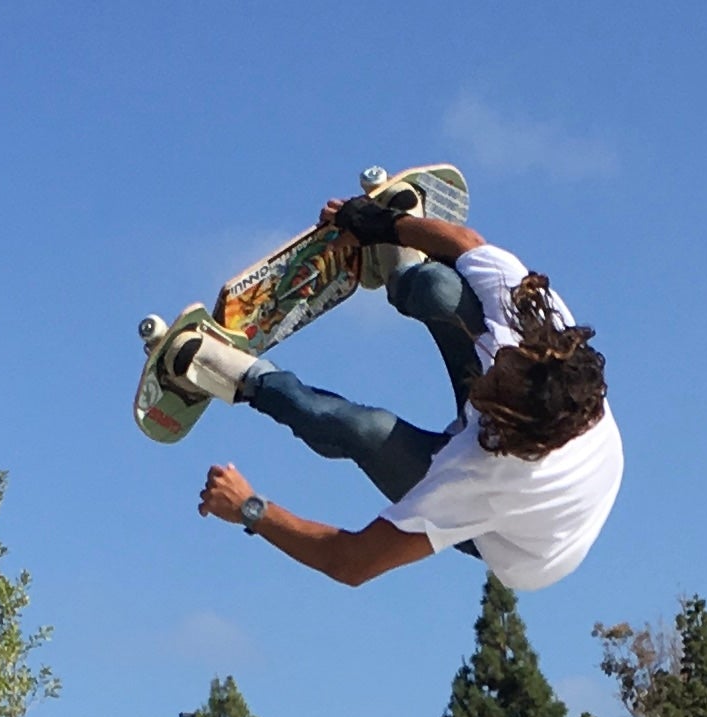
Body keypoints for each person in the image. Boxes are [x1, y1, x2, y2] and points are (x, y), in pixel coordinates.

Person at [169, 194, 622, 592]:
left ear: (504, 421)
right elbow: (466, 242)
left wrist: (250, 509)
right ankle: (401, 269)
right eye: (499, 366)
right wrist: (377, 222)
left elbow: (351, 562)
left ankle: (236, 377)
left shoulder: (485, 477)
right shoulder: (534, 322)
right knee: (440, 289)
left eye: (490, 391)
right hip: (546, 445)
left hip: (521, 542)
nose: (481, 373)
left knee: (361, 428)